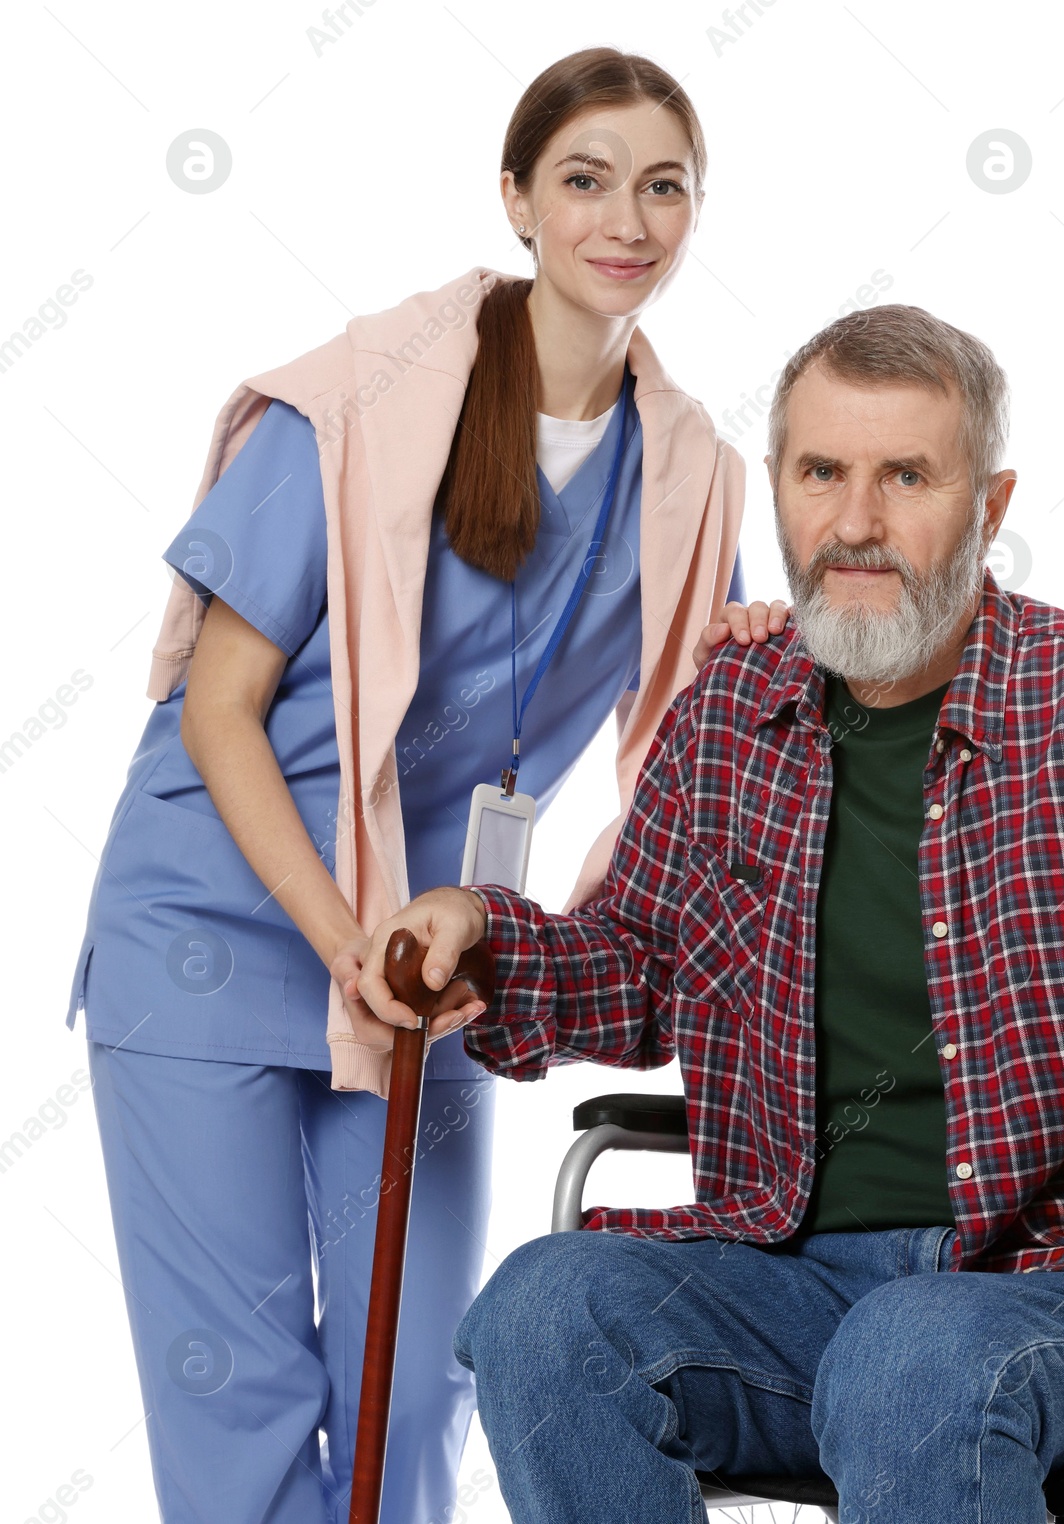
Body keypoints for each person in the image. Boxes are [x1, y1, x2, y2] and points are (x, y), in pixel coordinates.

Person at [355, 304, 1064, 1523]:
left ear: (990, 506)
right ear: (781, 492)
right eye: (821, 474)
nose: (855, 522)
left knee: (909, 1359)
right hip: (781, 1278)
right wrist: (483, 932)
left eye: (907, 476)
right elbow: (635, 965)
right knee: (540, 1311)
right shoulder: (729, 715)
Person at [65, 46, 790, 1524]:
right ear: (517, 199)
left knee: (412, 1382)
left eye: (665, 186)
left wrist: (768, 650)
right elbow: (219, 712)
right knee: (244, 1381)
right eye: (586, 178)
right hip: (217, 919)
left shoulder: (693, 469)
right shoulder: (351, 404)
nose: (626, 217)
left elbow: (689, 745)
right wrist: (339, 931)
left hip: (434, 945)